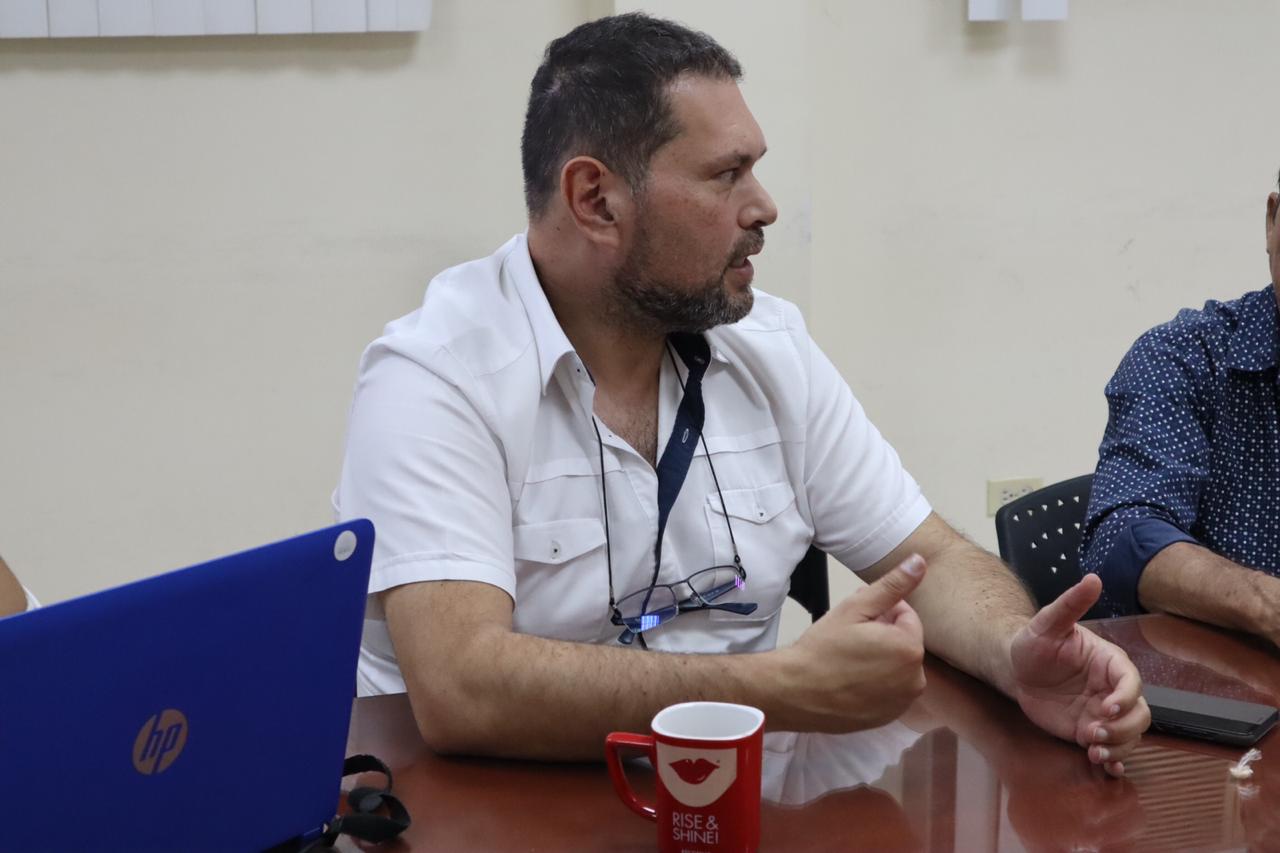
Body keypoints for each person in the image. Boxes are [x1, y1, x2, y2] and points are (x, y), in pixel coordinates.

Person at [335, 13, 1148, 772]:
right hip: (488, 814)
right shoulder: (436, 375)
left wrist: (1014, 652)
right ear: (596, 200)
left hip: (724, 799)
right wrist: (781, 689)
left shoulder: (770, 347)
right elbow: (462, 686)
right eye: (728, 175)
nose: (764, 207)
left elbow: (926, 557)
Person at [1081, 173, 1280, 645]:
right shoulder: (1184, 357)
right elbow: (1122, 537)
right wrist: (1263, 603)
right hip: (1226, 684)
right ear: (1273, 219)